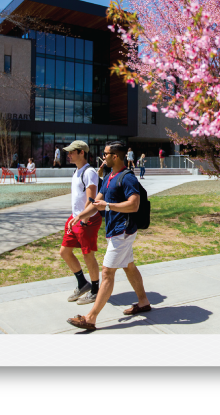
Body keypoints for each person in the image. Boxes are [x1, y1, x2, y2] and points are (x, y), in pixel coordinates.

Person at [66, 141, 151, 330]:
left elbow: (134, 204)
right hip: (115, 230)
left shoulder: (127, 178)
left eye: (105, 154)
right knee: (128, 267)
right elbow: (97, 202)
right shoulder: (110, 177)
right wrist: (80, 216)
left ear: (115, 156)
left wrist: (109, 206)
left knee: (107, 272)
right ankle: (144, 302)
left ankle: (90, 318)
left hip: (124, 230)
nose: (102, 157)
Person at [59, 141, 103, 305]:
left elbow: (92, 199)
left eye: (71, 152)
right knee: (64, 252)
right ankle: (82, 283)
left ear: (81, 153)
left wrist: (83, 218)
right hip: (75, 218)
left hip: (87, 219)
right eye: (68, 152)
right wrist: (75, 217)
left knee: (87, 254)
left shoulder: (89, 172)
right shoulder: (77, 171)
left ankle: (95, 290)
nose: (68, 155)